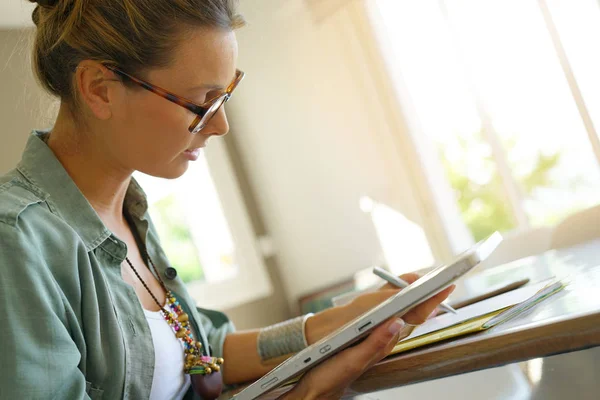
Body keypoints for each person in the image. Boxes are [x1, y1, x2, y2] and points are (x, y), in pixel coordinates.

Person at [0, 1, 454, 399]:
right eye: (203, 102)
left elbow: (201, 351)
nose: (220, 126)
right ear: (99, 88)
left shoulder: (127, 213)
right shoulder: (15, 242)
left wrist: (350, 319)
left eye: (226, 95)